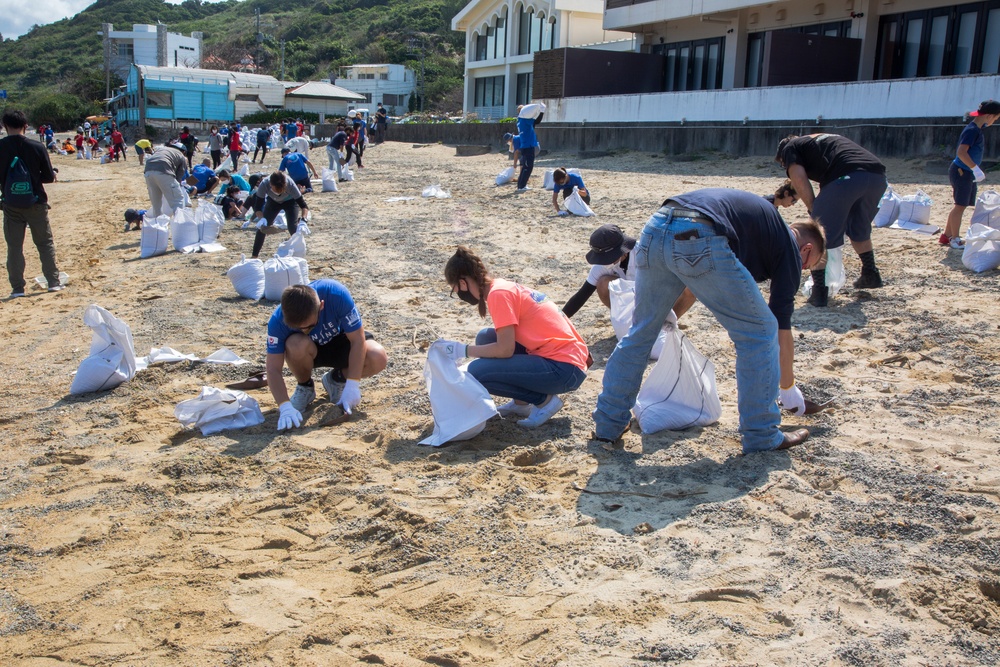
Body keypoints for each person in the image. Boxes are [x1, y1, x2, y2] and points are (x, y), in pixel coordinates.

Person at [593, 189, 825, 452]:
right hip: (698, 232)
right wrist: (788, 387)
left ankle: (608, 425)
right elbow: (778, 328)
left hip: (656, 226)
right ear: (806, 249)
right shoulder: (787, 247)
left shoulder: (760, 221)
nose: (801, 270)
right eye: (807, 265)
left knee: (641, 332)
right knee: (760, 332)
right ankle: (761, 434)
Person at [438, 246, 590, 429]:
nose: (459, 294)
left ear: (463, 283)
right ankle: (521, 403)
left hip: (565, 369)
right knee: (485, 337)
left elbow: (505, 349)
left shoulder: (498, 295)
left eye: (455, 289)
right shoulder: (500, 287)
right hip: (566, 360)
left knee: (477, 372)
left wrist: (461, 350)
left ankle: (543, 401)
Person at [776, 133, 887, 307]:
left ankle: (819, 291)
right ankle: (870, 273)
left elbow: (798, 178)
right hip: (877, 177)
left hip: (846, 177)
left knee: (817, 233)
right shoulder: (820, 140)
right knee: (858, 227)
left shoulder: (791, 146)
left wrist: (814, 209)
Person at [266, 281, 388, 430]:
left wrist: (353, 383)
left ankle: (336, 379)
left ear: (321, 306)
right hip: (307, 351)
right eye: (298, 328)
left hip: (341, 342)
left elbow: (357, 339)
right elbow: (273, 368)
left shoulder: (336, 294)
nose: (305, 330)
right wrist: (284, 405)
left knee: (378, 357)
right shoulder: (277, 320)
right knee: (294, 343)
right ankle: (305, 387)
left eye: (310, 326)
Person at [563, 223, 697, 321]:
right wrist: (560, 319)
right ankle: (625, 322)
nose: (604, 261)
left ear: (623, 250)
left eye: (608, 258)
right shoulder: (602, 266)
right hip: (631, 303)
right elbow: (581, 295)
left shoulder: (647, 253)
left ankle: (666, 325)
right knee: (603, 283)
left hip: (657, 296)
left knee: (690, 288)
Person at [0, 109, 63, 297]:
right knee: (44, 243)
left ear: (4, 126)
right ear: (25, 126)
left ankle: (17, 288)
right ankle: (53, 282)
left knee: (14, 247)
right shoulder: (37, 147)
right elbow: (48, 177)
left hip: (11, 204)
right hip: (36, 202)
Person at [941, 99, 1000, 248]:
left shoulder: (976, 129)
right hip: (962, 171)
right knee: (959, 205)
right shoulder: (972, 130)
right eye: (995, 118)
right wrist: (974, 168)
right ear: (989, 116)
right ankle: (955, 238)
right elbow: (961, 152)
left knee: (962, 204)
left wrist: (974, 169)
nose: (995, 121)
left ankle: (946, 235)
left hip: (966, 172)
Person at [249, 171, 310, 259]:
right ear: (270, 184)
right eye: (276, 190)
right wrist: (261, 218)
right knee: (262, 229)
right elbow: (257, 207)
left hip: (290, 202)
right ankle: (254, 256)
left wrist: (304, 220)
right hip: (273, 202)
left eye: (281, 190)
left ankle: (300, 256)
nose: (279, 193)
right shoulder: (264, 184)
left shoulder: (291, 185)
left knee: (292, 227)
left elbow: (304, 206)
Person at [143, 142, 188, 218]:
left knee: (156, 204)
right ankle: (179, 223)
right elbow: (179, 177)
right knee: (178, 200)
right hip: (164, 170)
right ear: (183, 151)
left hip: (148, 171)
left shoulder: (162, 150)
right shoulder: (181, 155)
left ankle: (158, 225)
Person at [515, 102, 545, 192]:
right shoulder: (525, 121)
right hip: (528, 146)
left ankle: (520, 185)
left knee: (525, 166)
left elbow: (535, 121)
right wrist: (542, 111)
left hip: (525, 145)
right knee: (528, 167)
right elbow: (537, 121)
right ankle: (522, 186)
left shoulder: (520, 121)